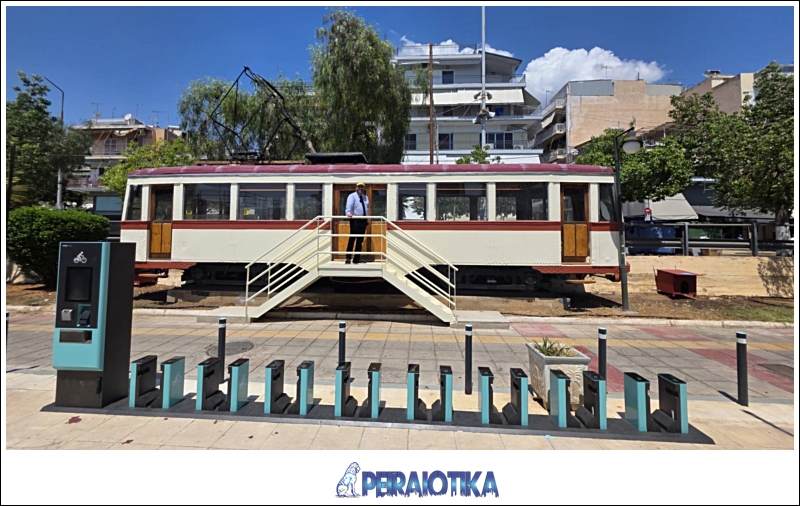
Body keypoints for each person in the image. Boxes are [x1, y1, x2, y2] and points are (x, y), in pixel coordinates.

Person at [345, 182, 370, 264]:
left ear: (364, 188)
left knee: (360, 240)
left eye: (362, 187)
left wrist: (367, 219)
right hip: (355, 220)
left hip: (363, 220)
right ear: (356, 188)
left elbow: (367, 209)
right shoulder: (352, 196)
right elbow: (349, 206)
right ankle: (348, 258)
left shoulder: (366, 197)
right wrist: (348, 213)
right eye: (359, 187)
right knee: (352, 239)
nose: (360, 188)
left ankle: (357, 258)